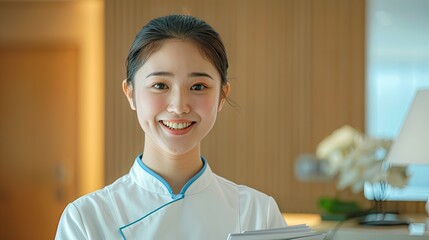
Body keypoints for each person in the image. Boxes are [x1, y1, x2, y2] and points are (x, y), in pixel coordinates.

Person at [55, 14, 287, 240]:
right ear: (131, 94)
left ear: (222, 96)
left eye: (198, 87)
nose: (178, 106)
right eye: (160, 85)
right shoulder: (86, 219)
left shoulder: (258, 214)